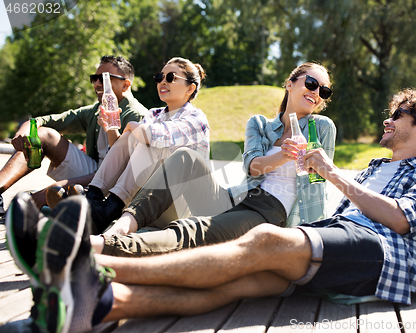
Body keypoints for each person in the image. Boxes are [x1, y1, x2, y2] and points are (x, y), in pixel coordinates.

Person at [7, 88, 416, 333]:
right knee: (239, 282)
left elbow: (398, 219)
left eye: (398, 114)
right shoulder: (374, 166)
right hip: (329, 240)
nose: (388, 119)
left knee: (261, 240)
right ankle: (101, 305)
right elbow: (255, 167)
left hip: (380, 255)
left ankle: (85, 260)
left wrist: (331, 171)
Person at [89, 62, 336, 256]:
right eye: (312, 83)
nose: (317, 93)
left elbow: (318, 181)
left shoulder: (322, 127)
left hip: (270, 212)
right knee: (185, 156)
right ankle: (120, 226)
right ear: (290, 84)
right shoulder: (260, 124)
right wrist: (283, 155)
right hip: (235, 197)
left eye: (324, 91)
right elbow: (253, 168)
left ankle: (105, 248)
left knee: (196, 231)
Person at [63, 57, 210, 234]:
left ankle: (107, 209)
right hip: (144, 198)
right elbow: (124, 152)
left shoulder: (196, 118)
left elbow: (157, 136)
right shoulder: (154, 114)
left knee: (148, 138)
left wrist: (132, 126)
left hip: (177, 204)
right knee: (133, 137)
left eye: (170, 77)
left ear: (190, 88)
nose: (162, 81)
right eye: (159, 77)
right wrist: (112, 128)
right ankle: (93, 197)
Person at [0, 55, 148, 214]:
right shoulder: (95, 110)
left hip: (116, 188)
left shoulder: (137, 116)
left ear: (125, 85)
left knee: (53, 196)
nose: (98, 83)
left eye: (105, 79)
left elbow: (119, 174)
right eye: (95, 78)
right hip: (92, 173)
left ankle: (69, 200)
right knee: (42, 134)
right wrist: (24, 131)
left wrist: (57, 185)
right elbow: (45, 121)